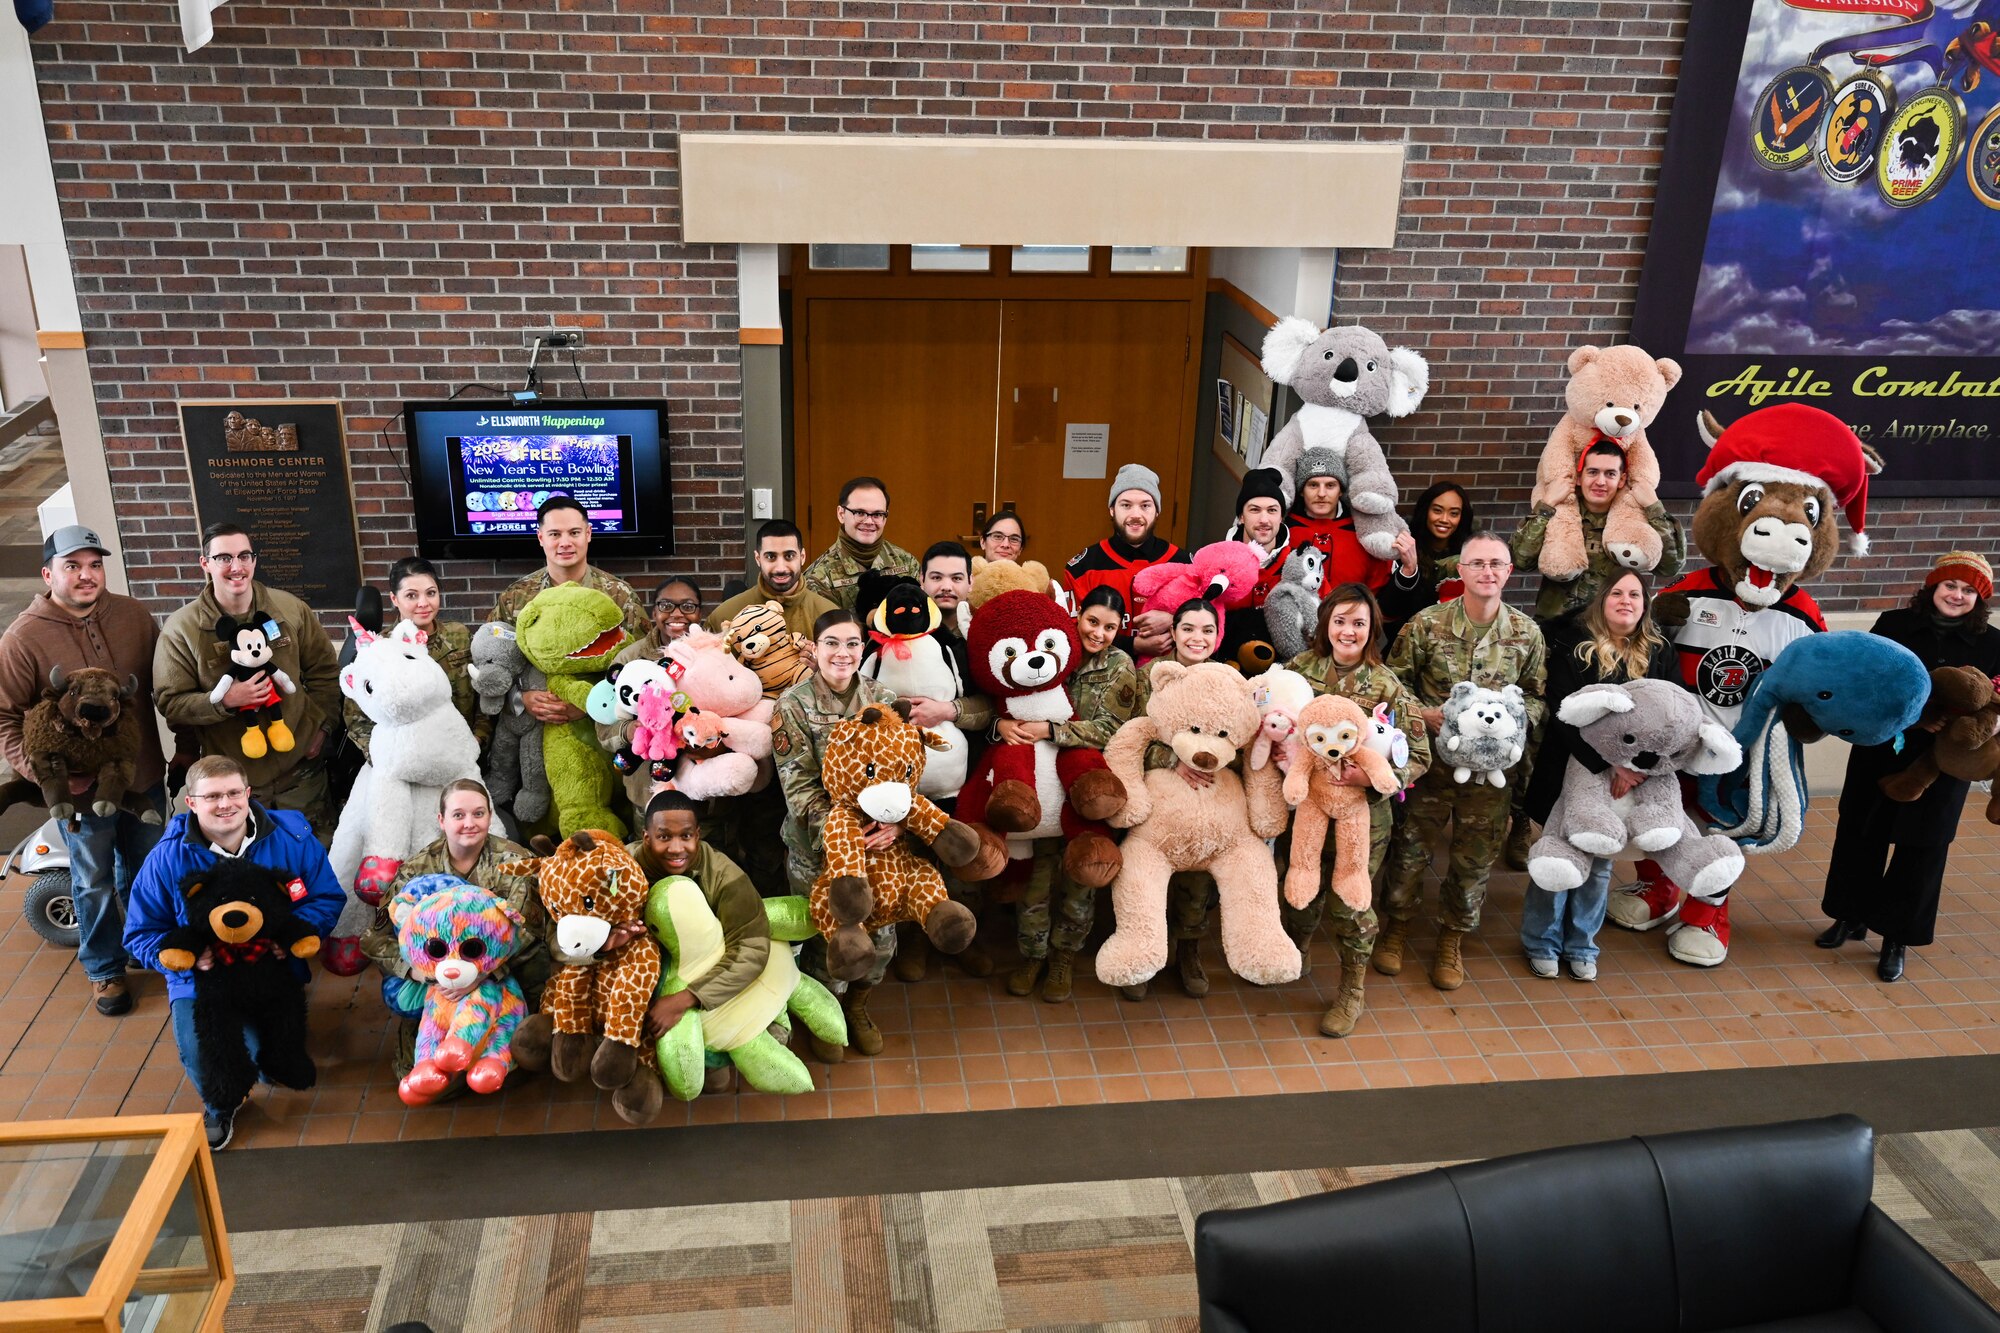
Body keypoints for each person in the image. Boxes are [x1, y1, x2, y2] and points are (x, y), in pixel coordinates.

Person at [123, 755, 345, 1150]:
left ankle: (269, 1060)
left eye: (232, 793)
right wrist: (181, 958)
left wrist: (291, 937)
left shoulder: (291, 841)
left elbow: (325, 896)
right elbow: (141, 931)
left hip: (272, 972)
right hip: (202, 981)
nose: (224, 804)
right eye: (211, 797)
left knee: (268, 1052)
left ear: (247, 793)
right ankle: (220, 1105)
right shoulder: (166, 860)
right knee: (203, 1050)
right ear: (191, 803)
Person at [0, 525, 170, 1017]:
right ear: (48, 573)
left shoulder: (135, 616)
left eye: (94, 564)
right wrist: (43, 776)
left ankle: (146, 947)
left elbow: (161, 689)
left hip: (139, 777)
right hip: (77, 793)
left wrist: (184, 747)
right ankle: (104, 968)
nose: (86, 575)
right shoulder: (23, 638)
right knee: (91, 879)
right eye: (72, 566)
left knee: (145, 871)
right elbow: (6, 718)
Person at [1820, 553, 2000, 982]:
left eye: (1968, 590)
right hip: (1883, 744)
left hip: (1944, 760)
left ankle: (1896, 936)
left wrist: (1960, 726)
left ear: (1980, 598)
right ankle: (1850, 915)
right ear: (1932, 588)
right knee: (1860, 832)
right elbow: (1868, 680)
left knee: (1924, 846)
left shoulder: (1994, 643)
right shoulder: (1893, 625)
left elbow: (1993, 702)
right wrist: (1913, 716)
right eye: (1950, 586)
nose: (1957, 595)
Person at [1381, 531, 1546, 990]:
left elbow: (1537, 697)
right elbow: (1392, 685)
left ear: (1509, 572)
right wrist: (1424, 715)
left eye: (1496, 564)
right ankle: (1395, 927)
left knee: (1474, 861)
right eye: (1477, 563)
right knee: (1410, 851)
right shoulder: (1426, 625)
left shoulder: (1526, 634)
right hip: (1432, 768)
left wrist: (1514, 723)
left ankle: (1451, 938)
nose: (1487, 572)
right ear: (1461, 570)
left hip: (1491, 779)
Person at [1282, 584, 1431, 1037]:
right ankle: (1299, 948)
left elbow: (1420, 754)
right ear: (1325, 623)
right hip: (1304, 809)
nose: (1349, 631)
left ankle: (1352, 989)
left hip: (1363, 818)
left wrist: (1370, 777)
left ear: (1372, 631)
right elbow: (1269, 728)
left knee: (1350, 904)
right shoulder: (1298, 673)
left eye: (1359, 623)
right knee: (1300, 891)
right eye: (1341, 621)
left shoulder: (1386, 684)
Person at [1519, 572, 1674, 983]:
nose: (1626, 600)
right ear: (1603, 601)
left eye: (1635, 594)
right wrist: (1611, 764)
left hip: (1629, 779)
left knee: (1602, 860)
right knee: (1560, 853)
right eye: (1617, 593)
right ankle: (1541, 941)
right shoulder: (1574, 647)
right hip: (1573, 766)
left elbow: (1667, 718)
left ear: (1645, 604)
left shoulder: (1658, 652)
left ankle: (1582, 944)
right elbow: (1563, 714)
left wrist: (1636, 768)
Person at [1001, 586, 1145, 1002]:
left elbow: (1111, 730)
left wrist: (1053, 730)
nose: (1098, 633)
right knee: (1036, 881)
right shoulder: (1053, 645)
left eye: (1110, 627)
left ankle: (1063, 956)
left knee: (1081, 880)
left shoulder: (1119, 666)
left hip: (1089, 786)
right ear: (1077, 615)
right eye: (1092, 621)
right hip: (1043, 782)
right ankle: (1032, 955)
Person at [358, 777, 551, 1086]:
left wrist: (478, 975)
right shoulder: (417, 871)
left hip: (503, 978)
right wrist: (424, 974)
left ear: (490, 816)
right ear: (441, 820)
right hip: (439, 986)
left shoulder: (516, 862)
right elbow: (376, 938)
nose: (469, 823)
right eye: (458, 815)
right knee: (416, 1075)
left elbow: (527, 933)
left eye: (479, 813)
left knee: (519, 1061)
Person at [772, 608, 899, 1061]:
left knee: (880, 938)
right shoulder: (792, 705)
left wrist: (894, 822)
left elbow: (902, 773)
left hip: (878, 847)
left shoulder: (882, 698)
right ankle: (825, 1012)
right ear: (815, 648)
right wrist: (846, 836)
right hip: (818, 850)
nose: (842, 653)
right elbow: (799, 787)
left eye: (851, 644)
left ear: (862, 648)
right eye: (832, 643)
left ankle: (858, 1005)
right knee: (829, 940)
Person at [153, 522, 342, 828]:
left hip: (302, 775)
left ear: (254, 560)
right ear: (205, 564)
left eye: (244, 556)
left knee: (314, 858)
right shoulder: (182, 630)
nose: (236, 567)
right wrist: (225, 701)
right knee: (250, 870)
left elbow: (324, 672)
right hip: (233, 786)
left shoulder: (290, 611)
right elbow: (170, 702)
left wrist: (322, 728)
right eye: (224, 558)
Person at [632, 791, 777, 1092]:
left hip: (704, 968)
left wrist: (686, 999)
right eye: (663, 837)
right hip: (645, 966)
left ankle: (714, 1055)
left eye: (686, 836)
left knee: (717, 1075)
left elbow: (752, 947)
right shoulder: (624, 867)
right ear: (646, 838)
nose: (676, 848)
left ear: (698, 835)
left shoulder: (724, 875)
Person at [487, 494, 647, 732]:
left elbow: (643, 660)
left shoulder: (618, 596)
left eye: (574, 533)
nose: (565, 542)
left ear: (588, 534)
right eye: (554, 534)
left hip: (602, 727)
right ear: (541, 538)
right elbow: (491, 658)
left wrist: (596, 701)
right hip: (534, 727)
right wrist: (521, 698)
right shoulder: (516, 598)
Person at [1510, 439, 1686, 622]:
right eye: (1593, 472)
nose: (1600, 482)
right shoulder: (1559, 515)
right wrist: (1546, 505)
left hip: (1612, 631)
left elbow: (1669, 567)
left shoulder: (1635, 520)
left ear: (1622, 479)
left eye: (1610, 474)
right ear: (1579, 477)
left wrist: (1653, 507)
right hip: (1556, 629)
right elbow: (1522, 561)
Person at [343, 557, 478, 760]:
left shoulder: (459, 636)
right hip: (409, 762)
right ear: (394, 599)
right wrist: (387, 758)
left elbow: (483, 692)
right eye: (411, 595)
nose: (423, 603)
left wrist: (479, 739)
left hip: (465, 753)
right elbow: (356, 717)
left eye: (431, 593)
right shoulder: (379, 649)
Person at [1062, 463, 1189, 660]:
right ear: (1112, 509)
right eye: (1126, 505)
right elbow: (1070, 633)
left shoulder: (1185, 564)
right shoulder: (1083, 568)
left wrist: (1175, 620)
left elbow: (1211, 623)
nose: (1136, 515)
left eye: (1145, 505)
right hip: (1099, 680)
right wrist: (1134, 645)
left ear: (1157, 511)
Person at [1284, 447, 1419, 598]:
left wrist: (1409, 570)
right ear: (1302, 490)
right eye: (1313, 485)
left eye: (1330, 485)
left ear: (1341, 490)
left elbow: (1382, 606)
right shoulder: (1283, 532)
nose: (1321, 494)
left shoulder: (1364, 532)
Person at [706, 519, 838, 644]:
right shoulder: (724, 616)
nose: (780, 568)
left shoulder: (829, 615)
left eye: (789, 556)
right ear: (758, 558)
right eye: (770, 557)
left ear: (802, 557)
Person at [803, 476, 920, 612]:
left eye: (877, 514)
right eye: (860, 513)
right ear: (841, 514)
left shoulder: (907, 563)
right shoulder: (819, 577)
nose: (869, 521)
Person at [1379, 481, 1475, 642]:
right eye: (1437, 511)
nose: (1444, 519)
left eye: (1454, 513)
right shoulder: (1404, 547)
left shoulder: (1470, 553)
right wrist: (1409, 569)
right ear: (1426, 511)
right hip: (1403, 643)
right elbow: (1387, 610)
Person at [1218, 467, 1292, 669]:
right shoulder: (1216, 562)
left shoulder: (1299, 565)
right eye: (1254, 510)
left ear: (1281, 517)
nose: (1264, 520)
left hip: (1283, 675)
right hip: (1226, 669)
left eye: (1272, 510)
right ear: (1241, 516)